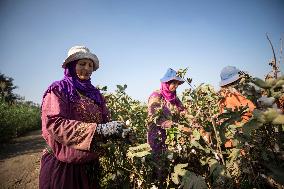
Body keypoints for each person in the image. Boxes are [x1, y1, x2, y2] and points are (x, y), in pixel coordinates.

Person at [39, 45, 129, 189]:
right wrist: (99, 130)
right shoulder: (59, 89)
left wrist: (118, 131)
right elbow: (55, 124)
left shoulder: (95, 94)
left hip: (89, 164)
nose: (87, 68)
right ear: (72, 65)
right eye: (82, 64)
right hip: (64, 165)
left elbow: (105, 121)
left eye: (90, 65)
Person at [147, 68, 189, 154]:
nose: (176, 86)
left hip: (171, 137)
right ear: (166, 83)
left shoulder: (175, 98)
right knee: (159, 162)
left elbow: (184, 112)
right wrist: (179, 127)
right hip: (157, 137)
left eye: (177, 84)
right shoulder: (156, 96)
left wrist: (196, 125)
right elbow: (155, 118)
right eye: (174, 83)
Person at [218, 66, 255, 148]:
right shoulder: (233, 96)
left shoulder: (222, 97)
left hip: (232, 140)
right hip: (242, 138)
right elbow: (252, 110)